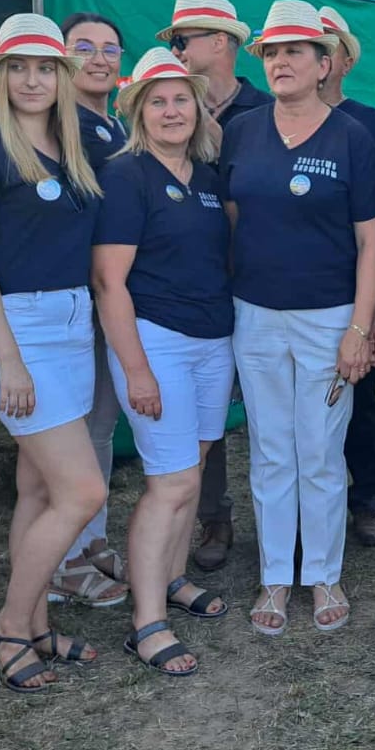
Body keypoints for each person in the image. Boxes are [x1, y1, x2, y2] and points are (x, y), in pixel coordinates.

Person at [0, 13, 105, 693]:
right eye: (18, 67)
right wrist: (8, 358)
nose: (32, 80)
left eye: (45, 68)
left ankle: (37, 626)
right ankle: (11, 625)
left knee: (39, 487)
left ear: (62, 77)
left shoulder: (77, 149)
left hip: (70, 321)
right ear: (0, 75)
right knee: (83, 490)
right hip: (16, 326)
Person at [221, 0, 375, 635]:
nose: (280, 62)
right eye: (271, 52)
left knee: (319, 449)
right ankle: (274, 576)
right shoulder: (241, 132)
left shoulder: (352, 137)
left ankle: (322, 573)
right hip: (256, 314)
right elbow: (235, 220)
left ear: (324, 64)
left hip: (328, 317)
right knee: (269, 448)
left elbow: (371, 242)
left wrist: (359, 328)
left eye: (295, 51)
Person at [94, 48, 235, 675]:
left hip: (213, 341)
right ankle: (146, 621)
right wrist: (137, 370)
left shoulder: (206, 177)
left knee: (193, 466)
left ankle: (173, 578)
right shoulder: (127, 176)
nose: (172, 110)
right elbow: (109, 283)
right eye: (158, 101)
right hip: (158, 341)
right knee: (169, 482)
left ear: (198, 109)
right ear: (139, 113)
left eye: (181, 99)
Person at [158, 0, 263, 573]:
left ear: (219, 42)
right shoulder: (171, 107)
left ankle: (296, 516)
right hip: (196, 281)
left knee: (274, 402)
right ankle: (213, 517)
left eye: (182, 40)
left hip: (262, 281)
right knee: (206, 407)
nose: (176, 50)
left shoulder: (267, 107)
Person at [46, 11, 131, 608]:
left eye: (109, 49)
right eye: (84, 47)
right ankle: (63, 560)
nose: (99, 59)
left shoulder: (116, 124)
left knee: (98, 426)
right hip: (72, 301)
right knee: (71, 434)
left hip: (110, 300)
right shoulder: (58, 126)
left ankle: (90, 539)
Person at [319, 5, 375, 549]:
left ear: (345, 61)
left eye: (329, 47)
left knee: (361, 397)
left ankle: (366, 499)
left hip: (356, 286)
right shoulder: (269, 123)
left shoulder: (372, 124)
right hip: (297, 289)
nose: (318, 57)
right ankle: (309, 506)